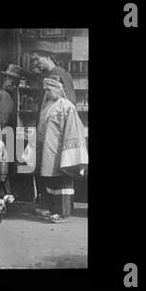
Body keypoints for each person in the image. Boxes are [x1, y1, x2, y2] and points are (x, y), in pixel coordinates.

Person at [34, 76, 88, 223]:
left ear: (58, 89)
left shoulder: (66, 106)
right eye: (45, 90)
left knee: (63, 181)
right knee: (51, 181)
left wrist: (69, 150)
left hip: (61, 150)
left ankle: (63, 213)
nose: (47, 93)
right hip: (48, 150)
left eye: (49, 90)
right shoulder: (47, 106)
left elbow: (72, 129)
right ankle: (53, 209)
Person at [0, 64, 22, 129]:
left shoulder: (7, 95)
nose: (11, 83)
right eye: (9, 79)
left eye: (14, 81)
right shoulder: (3, 96)